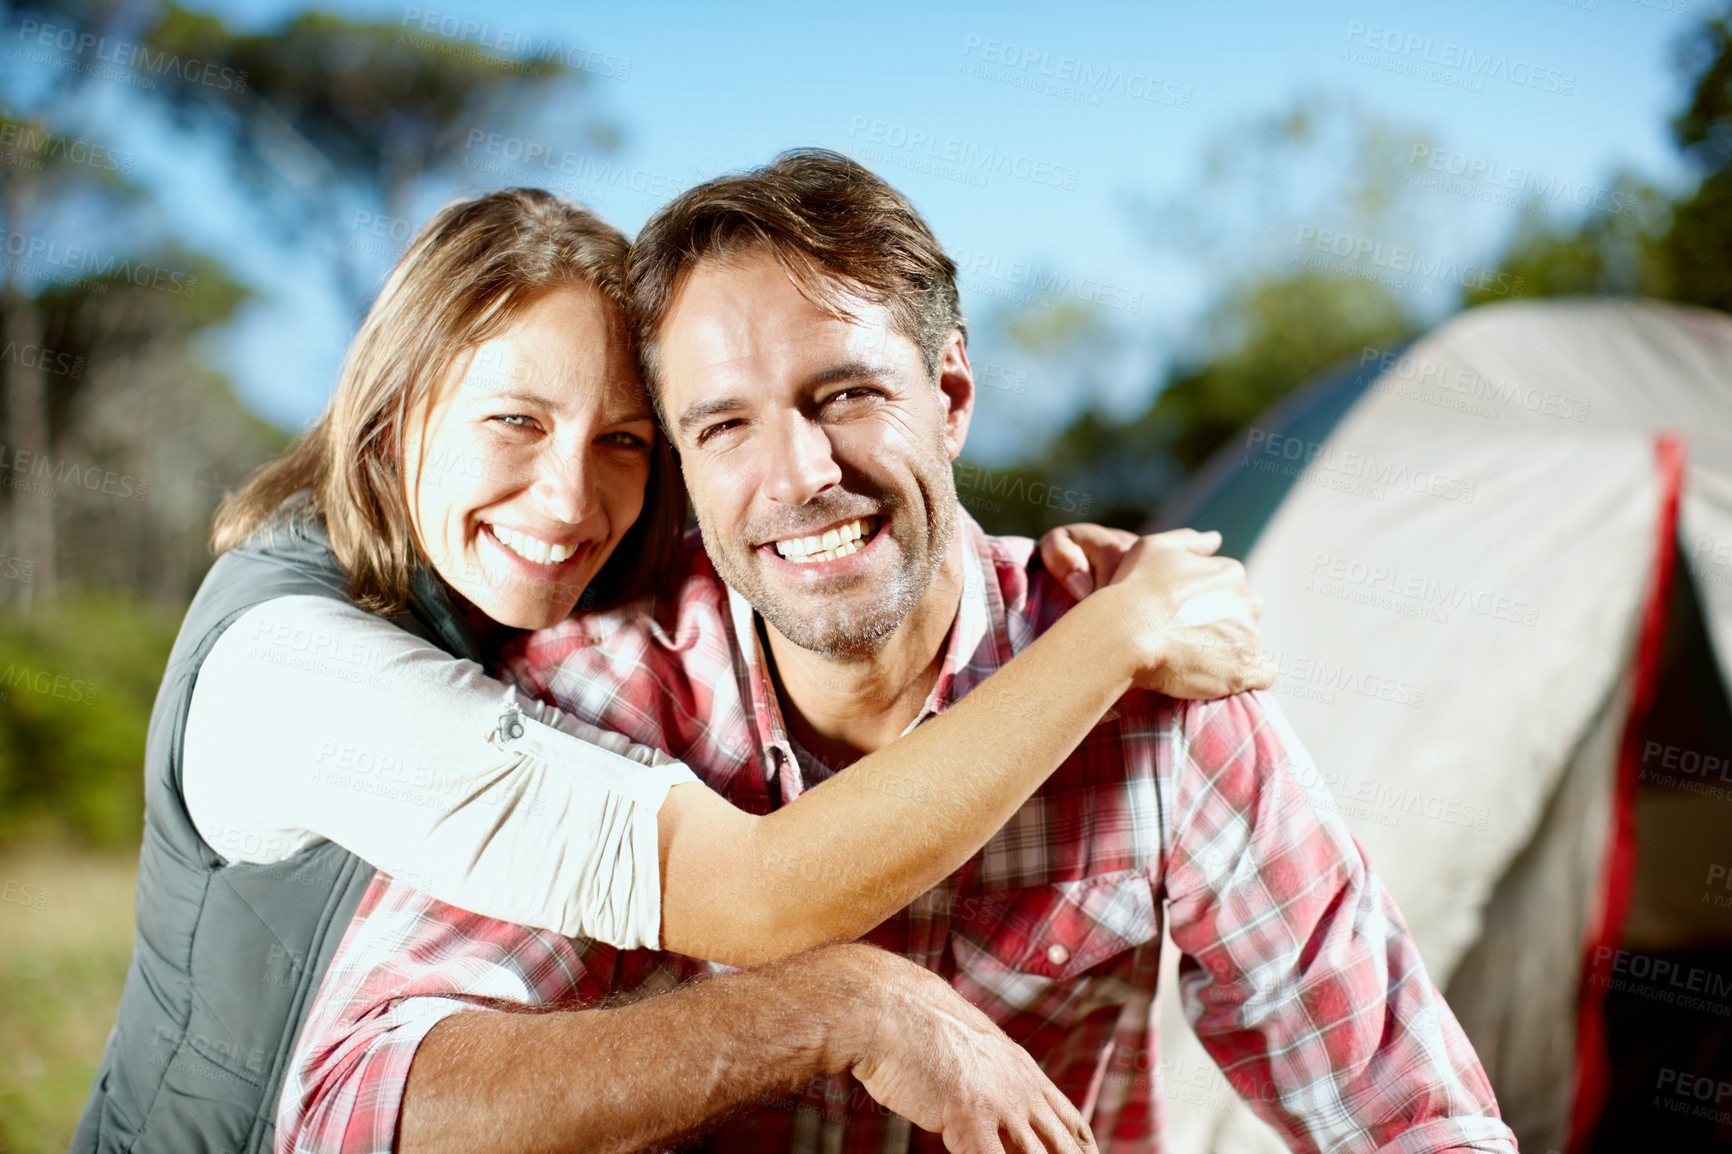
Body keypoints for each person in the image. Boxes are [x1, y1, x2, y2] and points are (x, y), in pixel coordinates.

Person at [278, 150, 1519, 1154]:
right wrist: (817, 1009)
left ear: (952, 394)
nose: (801, 478)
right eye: (723, 425)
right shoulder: (600, 694)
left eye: (846, 395)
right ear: (687, 465)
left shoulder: (1159, 699)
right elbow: (354, 1111)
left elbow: (1417, 1118)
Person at [74, 187, 1274, 1154]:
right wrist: (1113, 639)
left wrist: (1048, 576)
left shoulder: (499, 581)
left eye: (625, 440)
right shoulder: (302, 668)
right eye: (515, 420)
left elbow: (804, 532)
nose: (569, 496)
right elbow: (758, 894)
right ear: (391, 419)